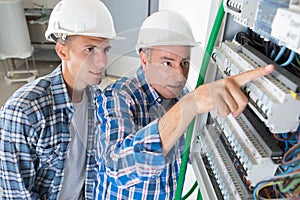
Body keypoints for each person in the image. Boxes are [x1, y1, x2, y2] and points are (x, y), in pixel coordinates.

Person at [94, 9, 275, 199]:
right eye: (167, 63)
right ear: (144, 58)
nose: (180, 75)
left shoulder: (183, 95)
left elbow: (195, 150)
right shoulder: (117, 96)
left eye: (185, 63)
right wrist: (189, 106)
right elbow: (117, 167)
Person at [0, 0, 119, 199]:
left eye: (105, 49)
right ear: (62, 51)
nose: (102, 62)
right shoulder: (24, 111)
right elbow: (16, 194)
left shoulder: (98, 101)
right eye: (89, 49)